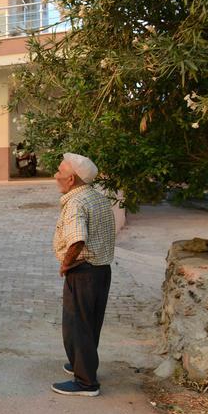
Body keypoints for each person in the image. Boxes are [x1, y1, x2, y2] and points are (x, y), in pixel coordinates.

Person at [51, 153, 116, 397]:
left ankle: (86, 382)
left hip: (84, 270)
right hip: (101, 270)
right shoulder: (96, 197)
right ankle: (83, 364)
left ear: (71, 179)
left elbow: (77, 240)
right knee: (90, 323)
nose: (55, 176)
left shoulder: (76, 203)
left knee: (77, 325)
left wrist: (65, 265)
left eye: (59, 172)